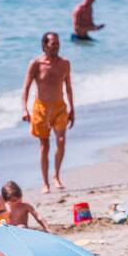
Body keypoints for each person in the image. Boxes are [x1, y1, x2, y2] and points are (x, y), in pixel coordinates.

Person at [22, 32, 75, 193]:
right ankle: (45, 183)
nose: (56, 46)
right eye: (53, 44)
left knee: (61, 141)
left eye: (58, 43)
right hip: (41, 109)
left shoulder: (65, 63)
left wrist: (72, 108)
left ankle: (56, 176)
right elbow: (26, 87)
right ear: (45, 45)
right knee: (44, 145)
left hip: (60, 107)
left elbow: (68, 87)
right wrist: (24, 108)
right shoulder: (36, 64)